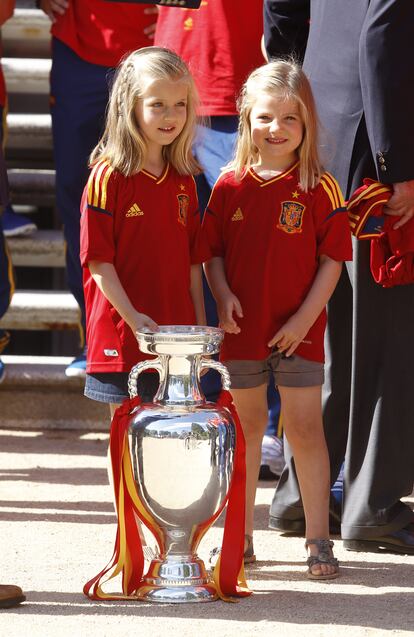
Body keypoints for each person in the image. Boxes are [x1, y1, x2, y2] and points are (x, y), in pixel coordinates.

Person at [264, 1, 414, 554]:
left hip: (334, 130)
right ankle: (372, 504)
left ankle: (303, 498)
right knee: (388, 338)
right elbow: (383, 37)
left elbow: (281, 14)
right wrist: (396, 164)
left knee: (341, 338)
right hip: (375, 154)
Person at [202, 59, 352, 578]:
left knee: (305, 430)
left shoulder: (320, 186)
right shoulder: (228, 185)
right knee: (244, 432)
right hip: (242, 332)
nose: (277, 128)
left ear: (307, 122)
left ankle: (317, 540)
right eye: (266, 116)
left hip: (300, 334)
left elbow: (334, 261)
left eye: (291, 118)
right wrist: (222, 296)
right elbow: (212, 252)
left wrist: (305, 319)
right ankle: (239, 540)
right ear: (246, 118)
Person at [80, 46, 205, 417]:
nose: (171, 116)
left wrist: (196, 330)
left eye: (179, 104)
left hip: (174, 339)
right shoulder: (108, 176)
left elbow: (193, 265)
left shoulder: (186, 179)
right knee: (126, 431)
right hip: (123, 333)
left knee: (167, 435)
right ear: (130, 106)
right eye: (157, 105)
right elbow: (99, 263)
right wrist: (135, 320)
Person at [39, 0, 158, 376]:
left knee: (158, 195)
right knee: (80, 195)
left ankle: (164, 338)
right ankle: (92, 336)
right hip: (80, 46)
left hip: (154, 48)